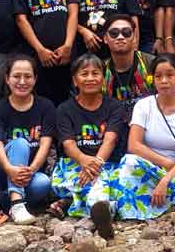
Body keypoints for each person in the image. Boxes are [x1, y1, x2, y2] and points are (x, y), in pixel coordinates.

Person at [116, 56, 175, 220]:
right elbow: (134, 145)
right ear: (153, 79)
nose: (164, 81)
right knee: (129, 162)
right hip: (152, 166)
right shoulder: (143, 106)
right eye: (158, 76)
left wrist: (167, 178)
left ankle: (154, 199)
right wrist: (165, 164)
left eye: (170, 75)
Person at [51, 54, 127, 239]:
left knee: (117, 183)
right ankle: (103, 209)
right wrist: (85, 162)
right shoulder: (64, 109)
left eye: (96, 73)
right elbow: (68, 144)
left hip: (107, 163)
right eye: (84, 74)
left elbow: (110, 139)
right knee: (95, 183)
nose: (91, 78)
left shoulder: (114, 106)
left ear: (103, 77)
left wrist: (96, 163)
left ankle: (92, 208)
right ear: (75, 80)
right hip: (75, 164)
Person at [0, 55, 56, 225]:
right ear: (7, 79)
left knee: (43, 183)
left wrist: (31, 170)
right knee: (20, 143)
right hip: (4, 171)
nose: (22, 81)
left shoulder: (46, 106)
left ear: (35, 79)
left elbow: (45, 144)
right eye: (17, 76)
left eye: (28, 76)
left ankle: (6, 199)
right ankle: (17, 204)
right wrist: (10, 169)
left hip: (30, 173)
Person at [13, 0, 79, 104]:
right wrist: (39, 49)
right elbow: (21, 18)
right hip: (36, 56)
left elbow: (73, 12)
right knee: (39, 101)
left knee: (66, 100)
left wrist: (68, 45)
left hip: (64, 55)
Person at [101, 14, 155, 110]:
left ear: (134, 37)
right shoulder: (100, 70)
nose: (120, 37)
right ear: (105, 38)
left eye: (126, 32)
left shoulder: (152, 64)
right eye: (114, 33)